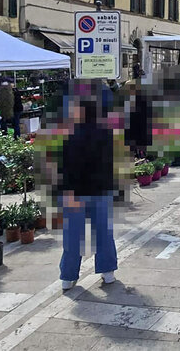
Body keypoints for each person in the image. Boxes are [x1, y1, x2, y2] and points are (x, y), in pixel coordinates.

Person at [57, 82, 119, 291]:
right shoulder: (106, 129)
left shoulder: (68, 129)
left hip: (73, 188)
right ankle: (107, 271)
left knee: (73, 233)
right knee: (103, 230)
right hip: (100, 186)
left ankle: (68, 275)